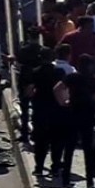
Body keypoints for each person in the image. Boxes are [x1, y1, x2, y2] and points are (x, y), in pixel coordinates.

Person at [54, 54, 95, 188]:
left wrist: (63, 102)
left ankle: (66, 178)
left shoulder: (72, 77)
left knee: (69, 147)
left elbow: (57, 88)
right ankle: (89, 179)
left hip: (73, 112)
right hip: (88, 115)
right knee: (88, 148)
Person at [29, 47, 65, 176]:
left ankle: (39, 167)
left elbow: (29, 91)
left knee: (40, 141)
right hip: (56, 109)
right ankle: (55, 167)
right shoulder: (59, 72)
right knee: (57, 140)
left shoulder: (35, 72)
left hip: (40, 110)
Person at [15, 26, 44, 143]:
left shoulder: (23, 50)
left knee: (25, 109)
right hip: (38, 83)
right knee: (38, 109)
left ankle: (25, 134)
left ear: (28, 36)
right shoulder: (42, 50)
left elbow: (18, 65)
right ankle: (37, 133)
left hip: (25, 81)